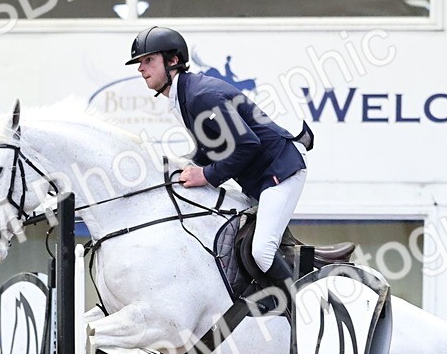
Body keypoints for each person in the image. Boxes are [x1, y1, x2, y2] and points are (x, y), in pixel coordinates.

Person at [127, 26, 311, 291]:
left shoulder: (200, 95)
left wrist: (206, 175)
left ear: (173, 61)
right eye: (140, 63)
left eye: (148, 61)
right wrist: (181, 167)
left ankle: (305, 310)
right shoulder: (185, 95)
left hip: (281, 171)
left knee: (262, 252)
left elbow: (247, 143)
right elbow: (211, 146)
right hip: (261, 178)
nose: (140, 69)